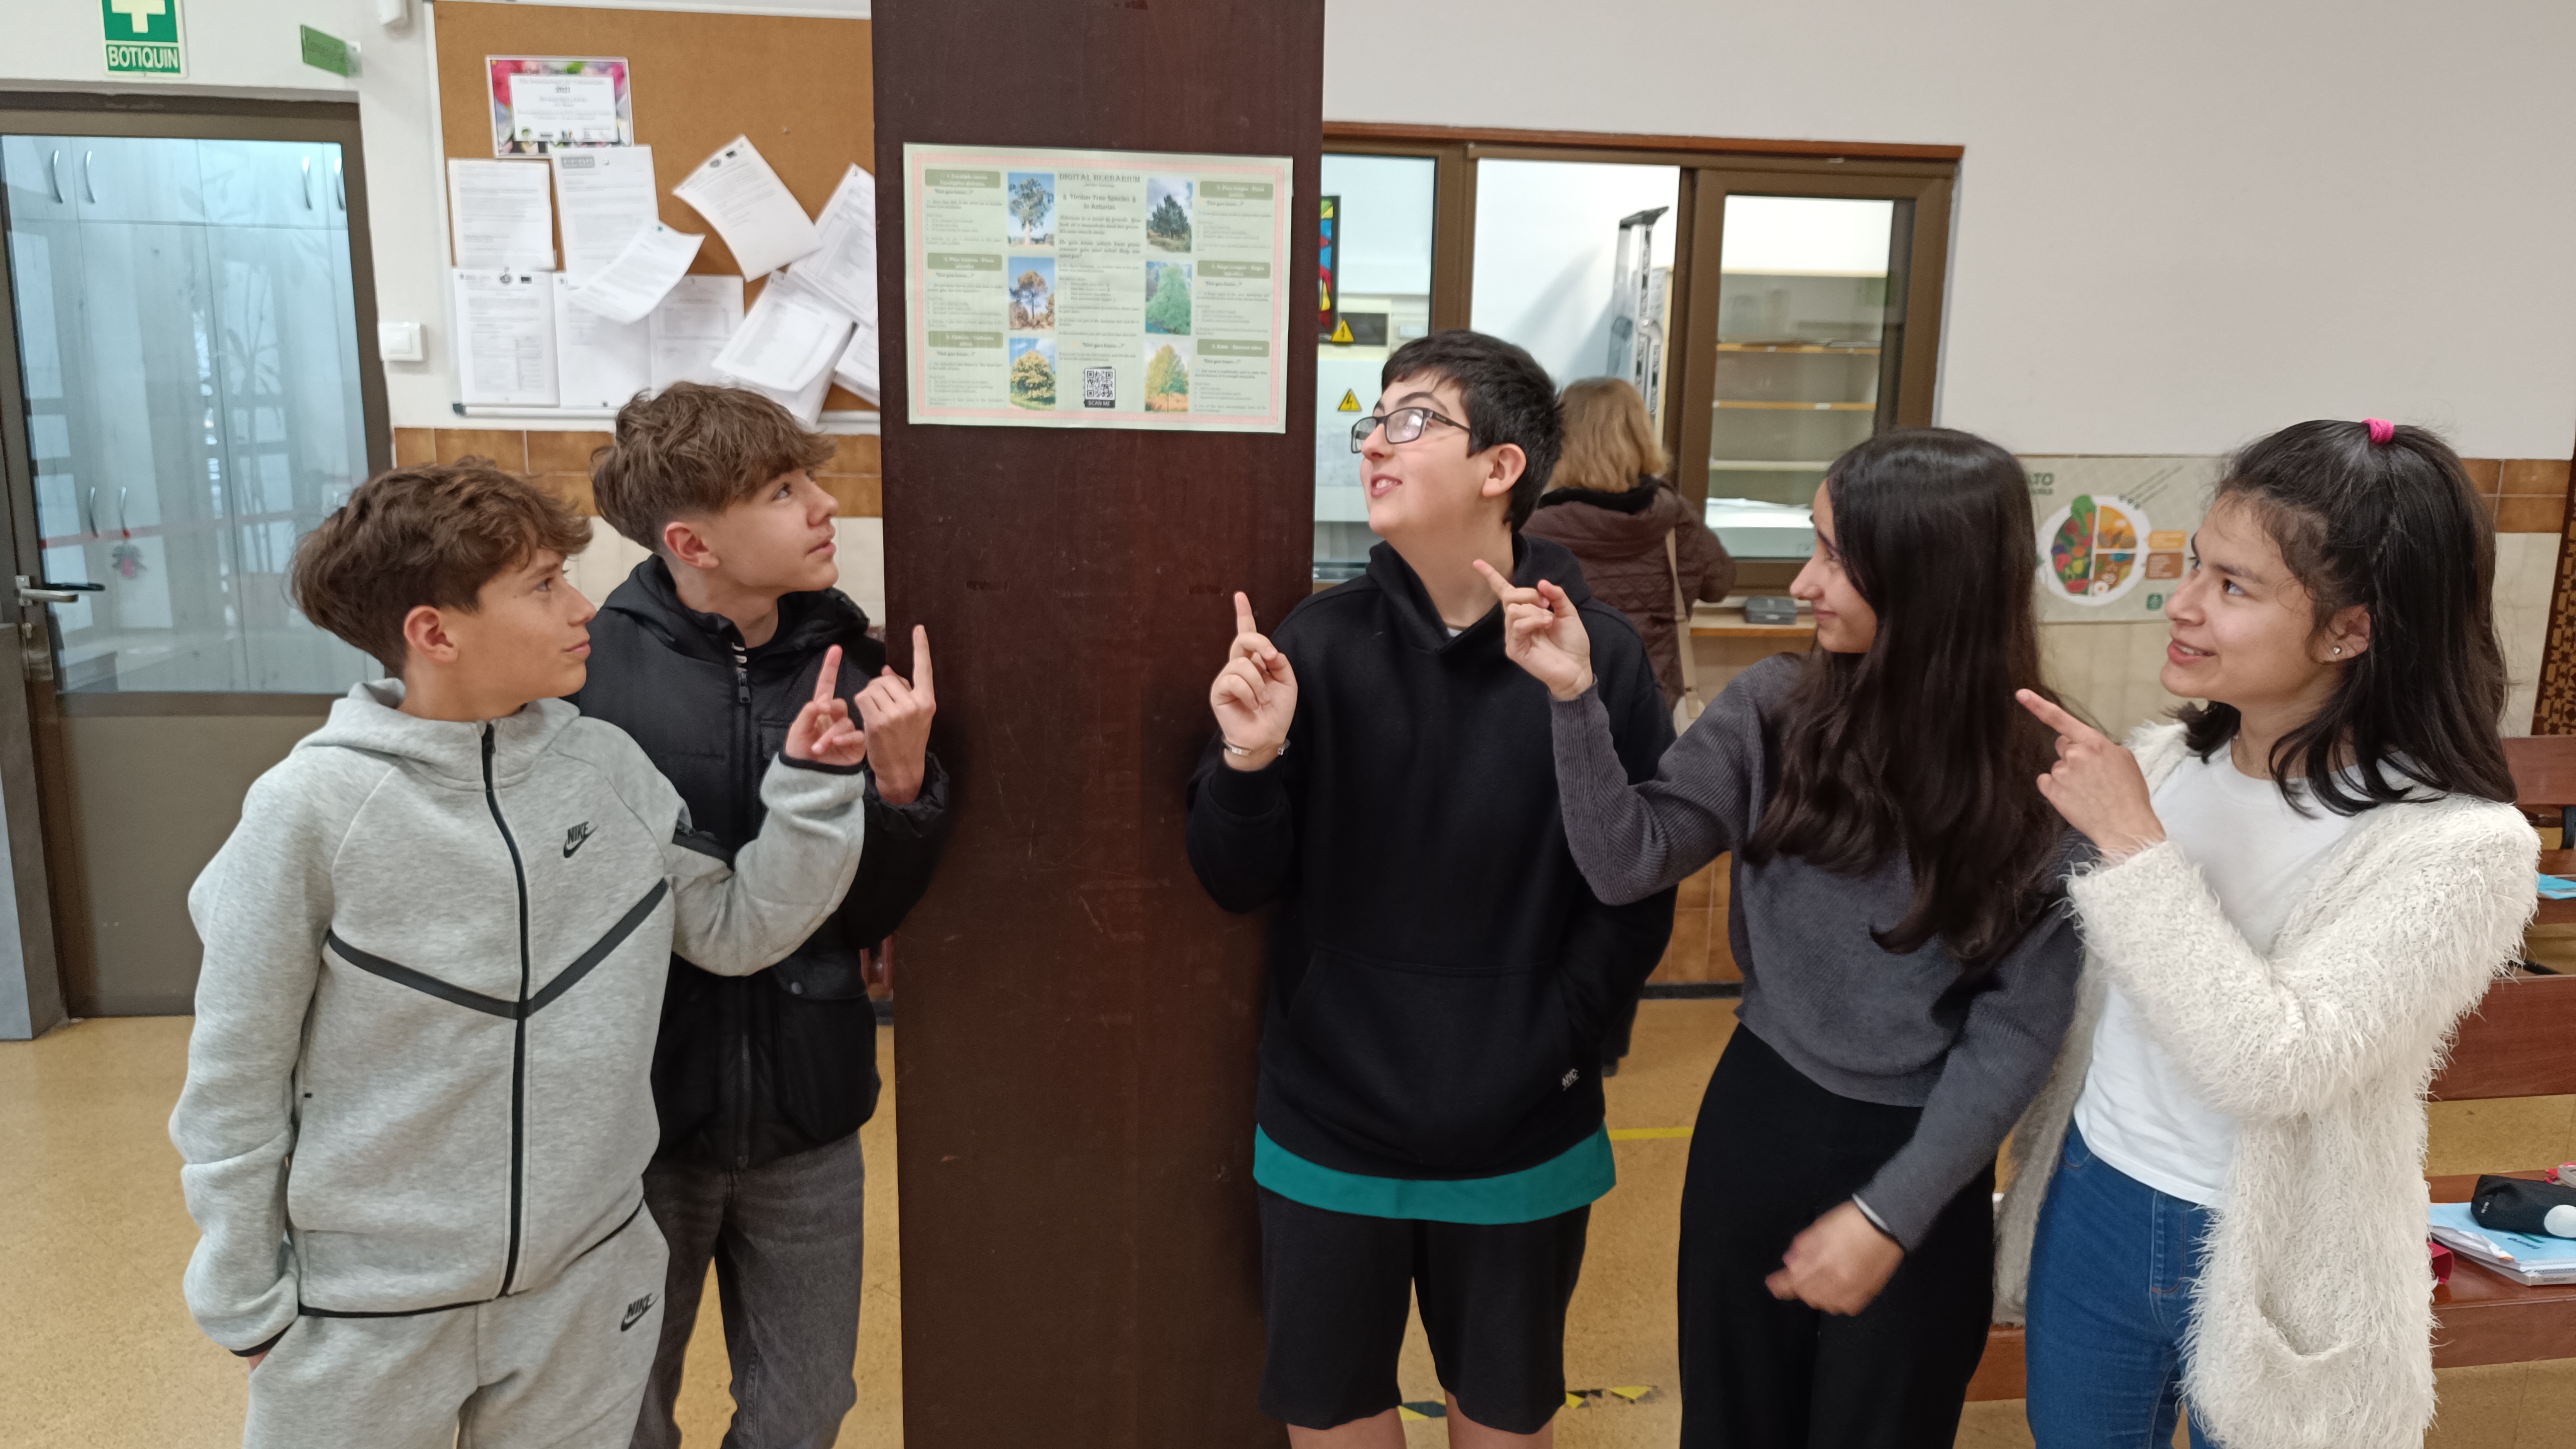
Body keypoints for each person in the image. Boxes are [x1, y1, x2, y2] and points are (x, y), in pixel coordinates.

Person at [168, 462, 874, 1449]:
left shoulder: (607, 769)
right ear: (435, 632)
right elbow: (234, 1077)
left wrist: (811, 788)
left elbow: (734, 931)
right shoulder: (308, 815)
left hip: (583, 1291)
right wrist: (247, 1299)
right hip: (365, 1310)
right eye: (543, 586)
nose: (582, 608)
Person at [1484, 427, 2081, 1449]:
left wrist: (1890, 1214)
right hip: (1757, 1117)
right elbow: (1629, 860)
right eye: (1814, 544)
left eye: (1836, 557)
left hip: (1924, 1150)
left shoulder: (2051, 775)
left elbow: (2016, 1034)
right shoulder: (1773, 709)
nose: (1804, 583)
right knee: (1732, 1420)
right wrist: (1574, 699)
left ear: (1931, 578)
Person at [1997, 419, 2538, 1449]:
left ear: (2350, 631)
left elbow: (2275, 1064)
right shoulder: (2166, 764)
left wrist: (2135, 849)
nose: (2184, 604)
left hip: (2284, 1252)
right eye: (2195, 565)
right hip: (2097, 1195)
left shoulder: (2460, 846)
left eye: (2234, 586)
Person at [1185, 330, 1677, 1447]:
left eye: (1413, 420)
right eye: (1374, 419)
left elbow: (1636, 883)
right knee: (1333, 1408)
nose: (1374, 443)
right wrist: (1249, 760)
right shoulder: (1314, 641)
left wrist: (1558, 1033)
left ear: (1502, 466)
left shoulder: (1595, 654)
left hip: (1524, 1123)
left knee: (1500, 1412)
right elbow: (1232, 879)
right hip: (1329, 1115)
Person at [570, 382, 950, 1449]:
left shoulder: (856, 665)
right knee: (622, 1407)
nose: (825, 506)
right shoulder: (587, 677)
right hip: (639, 1122)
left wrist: (903, 785)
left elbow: (868, 916)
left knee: (807, 1404)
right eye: (784, 491)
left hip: (808, 1107)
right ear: (692, 542)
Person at [1521, 377, 1735, 713]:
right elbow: (1719, 585)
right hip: (1654, 702)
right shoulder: (1675, 517)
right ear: (1640, 437)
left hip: (1564, 705)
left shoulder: (1533, 530)